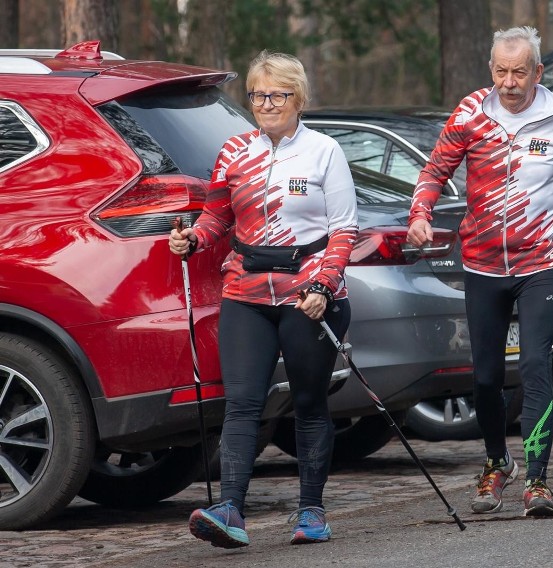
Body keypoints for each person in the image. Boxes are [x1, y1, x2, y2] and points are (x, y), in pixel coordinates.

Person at [407, 26, 553, 517]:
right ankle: (496, 462)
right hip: (482, 264)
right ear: (490, 70)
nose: (509, 82)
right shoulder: (470, 113)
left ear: (538, 72)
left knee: (534, 366)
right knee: (484, 378)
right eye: (501, 71)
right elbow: (435, 170)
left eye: (519, 72)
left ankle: (538, 481)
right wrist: (419, 213)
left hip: (541, 262)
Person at [169, 50, 358, 548]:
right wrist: (193, 240)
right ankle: (230, 509)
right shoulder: (234, 152)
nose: (266, 103)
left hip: (308, 293)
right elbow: (216, 219)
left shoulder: (323, 152)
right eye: (257, 95)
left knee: (309, 403)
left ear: (299, 99)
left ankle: (312, 513)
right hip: (246, 292)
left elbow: (344, 229)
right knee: (242, 402)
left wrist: (324, 284)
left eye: (277, 94)